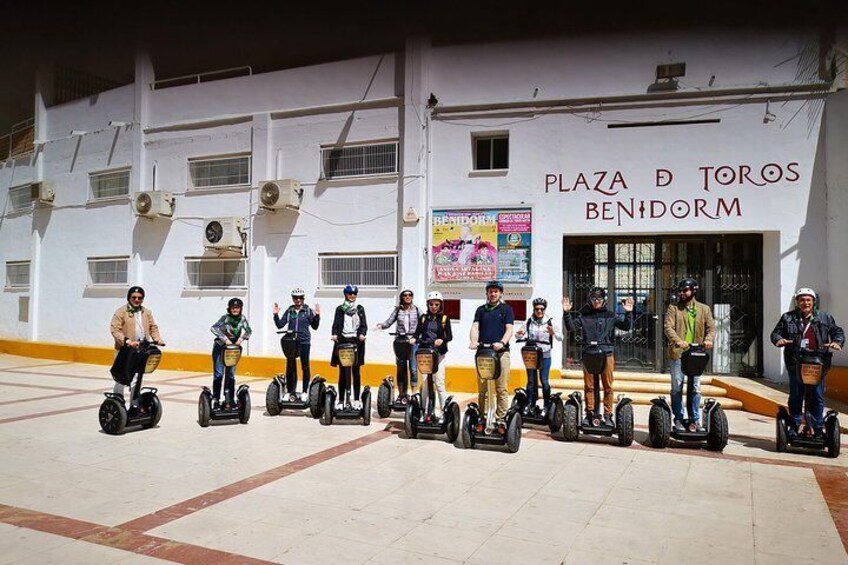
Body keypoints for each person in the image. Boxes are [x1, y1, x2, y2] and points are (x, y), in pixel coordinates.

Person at [771, 287, 844, 437]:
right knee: (796, 394)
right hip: (795, 361)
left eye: (808, 300)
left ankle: (817, 428)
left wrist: (837, 342)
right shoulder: (788, 317)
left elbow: (837, 332)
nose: (805, 303)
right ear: (797, 302)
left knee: (817, 395)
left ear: (813, 302)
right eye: (802, 300)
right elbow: (776, 333)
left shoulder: (825, 318)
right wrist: (779, 339)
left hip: (818, 362)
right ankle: (795, 425)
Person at [562, 287, 633, 427]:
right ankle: (589, 414)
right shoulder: (585, 315)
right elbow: (570, 327)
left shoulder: (610, 315)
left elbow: (626, 327)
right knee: (589, 386)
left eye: (599, 298)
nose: (596, 301)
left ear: (604, 300)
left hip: (606, 353)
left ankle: (607, 415)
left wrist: (628, 313)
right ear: (590, 300)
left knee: (607, 386)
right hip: (589, 354)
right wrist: (566, 313)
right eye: (593, 298)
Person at [663, 278, 716, 431]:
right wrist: (678, 341)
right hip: (679, 353)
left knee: (695, 387)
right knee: (677, 387)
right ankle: (678, 419)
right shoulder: (674, 308)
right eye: (680, 291)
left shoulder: (704, 309)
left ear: (694, 290)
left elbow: (711, 328)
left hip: (696, 354)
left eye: (685, 290)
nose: (682, 293)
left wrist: (708, 340)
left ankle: (695, 419)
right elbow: (668, 327)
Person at [109, 286, 164, 410]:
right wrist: (126, 340)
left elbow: (153, 327)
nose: (137, 300)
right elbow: (115, 329)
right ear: (129, 297)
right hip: (125, 350)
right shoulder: (121, 312)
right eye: (134, 297)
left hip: (141, 350)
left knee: (137, 377)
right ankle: (118, 401)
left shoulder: (146, 312)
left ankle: (134, 404)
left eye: (139, 298)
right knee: (121, 377)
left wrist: (157, 339)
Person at [469, 280, 514, 425]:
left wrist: (502, 342)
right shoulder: (481, 310)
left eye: (496, 291)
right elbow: (475, 327)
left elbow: (509, 329)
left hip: (501, 353)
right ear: (487, 293)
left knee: (501, 388)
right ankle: (482, 417)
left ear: (500, 293)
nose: (493, 294)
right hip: (483, 353)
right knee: (483, 390)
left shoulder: (506, 309)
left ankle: (501, 418)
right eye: (490, 291)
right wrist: (473, 341)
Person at [515, 297, 563, 415]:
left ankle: (546, 405)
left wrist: (553, 333)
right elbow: (518, 335)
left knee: (544, 380)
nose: (539, 311)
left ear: (545, 309)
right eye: (537, 309)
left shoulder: (550, 321)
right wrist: (519, 334)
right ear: (534, 309)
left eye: (542, 309)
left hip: (545, 355)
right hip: (531, 354)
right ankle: (530, 403)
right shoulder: (529, 321)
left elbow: (560, 337)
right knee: (531, 381)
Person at [411, 291, 453, 418]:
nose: (433, 307)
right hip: (425, 354)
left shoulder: (445, 319)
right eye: (431, 304)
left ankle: (443, 411)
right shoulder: (423, 318)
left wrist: (442, 340)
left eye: (436, 304)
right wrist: (413, 338)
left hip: (438, 354)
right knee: (424, 384)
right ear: (428, 305)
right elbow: (417, 333)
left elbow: (450, 336)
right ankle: (423, 411)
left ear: (440, 305)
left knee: (439, 382)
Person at [273, 288, 321, 400]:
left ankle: (304, 391)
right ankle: (290, 392)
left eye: (300, 298)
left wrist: (317, 316)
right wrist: (275, 315)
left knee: (305, 366)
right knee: (290, 366)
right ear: (293, 299)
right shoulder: (290, 311)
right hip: (292, 342)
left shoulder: (308, 311)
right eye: (295, 298)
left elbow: (315, 326)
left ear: (303, 298)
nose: (298, 300)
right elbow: (280, 325)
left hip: (304, 341)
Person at [375, 289, 422, 401]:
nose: (407, 297)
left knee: (413, 368)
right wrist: (381, 326)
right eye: (405, 295)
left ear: (412, 297)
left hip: (413, 342)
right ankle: (401, 394)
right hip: (400, 342)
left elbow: (423, 322)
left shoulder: (417, 310)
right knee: (401, 368)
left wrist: (418, 336)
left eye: (410, 295)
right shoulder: (398, 310)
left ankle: (414, 393)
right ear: (402, 297)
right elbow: (389, 321)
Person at [210, 298, 252, 409]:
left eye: (237, 307)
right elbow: (213, 328)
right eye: (233, 307)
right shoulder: (225, 318)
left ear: (240, 309)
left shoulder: (242, 319)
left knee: (231, 375)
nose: (235, 309)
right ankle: (216, 399)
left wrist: (241, 339)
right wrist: (225, 339)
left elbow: (248, 330)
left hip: (233, 350)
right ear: (229, 308)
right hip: (220, 348)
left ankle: (230, 399)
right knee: (219, 374)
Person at [331, 284, 367, 409]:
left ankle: (356, 399)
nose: (352, 296)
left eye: (354, 294)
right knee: (342, 372)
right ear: (345, 295)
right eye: (349, 293)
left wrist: (362, 334)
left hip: (356, 341)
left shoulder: (360, 309)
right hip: (342, 341)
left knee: (356, 372)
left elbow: (364, 325)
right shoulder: (340, 309)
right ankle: (341, 400)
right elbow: (335, 324)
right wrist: (334, 334)